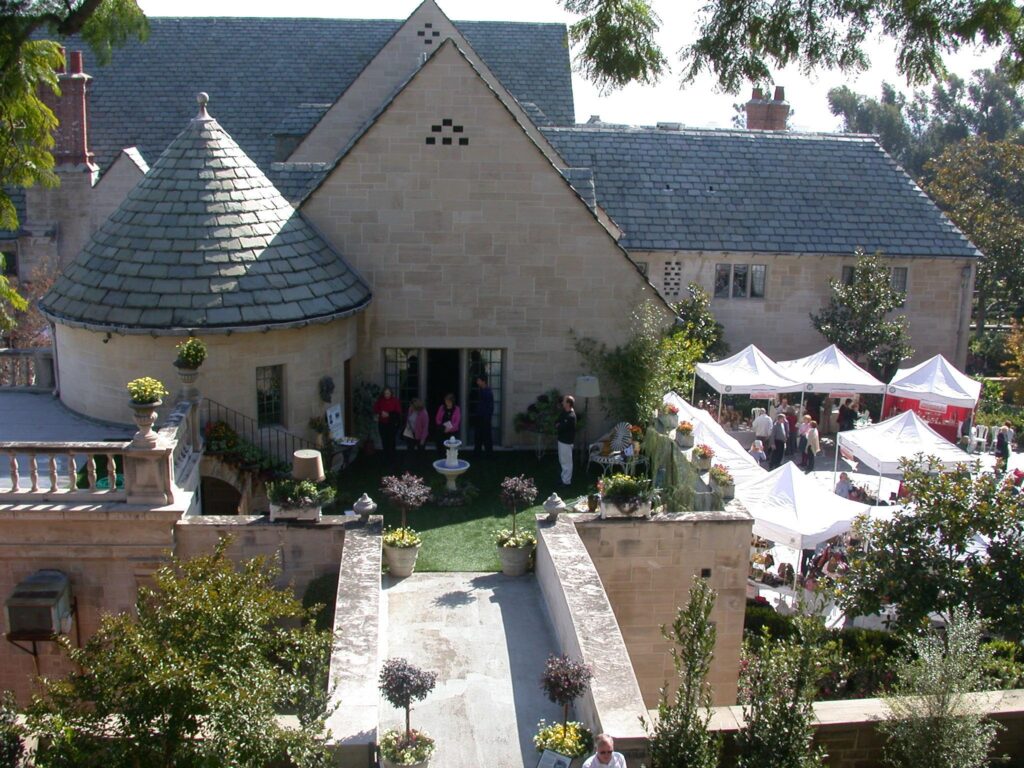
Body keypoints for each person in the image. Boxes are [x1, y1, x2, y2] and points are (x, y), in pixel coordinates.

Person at [372, 387, 401, 463]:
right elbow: (375, 409)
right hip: (382, 424)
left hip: (391, 424)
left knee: (391, 441)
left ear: (391, 393)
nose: (387, 395)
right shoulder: (380, 401)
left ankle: (392, 459)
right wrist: (381, 412)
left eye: (388, 393)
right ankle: (385, 458)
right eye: (385, 393)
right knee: (384, 441)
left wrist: (389, 414)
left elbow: (398, 413)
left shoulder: (395, 401)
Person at [556, 394, 577, 486]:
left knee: (567, 462)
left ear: (568, 403)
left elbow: (562, 427)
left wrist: (559, 425)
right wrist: (559, 425)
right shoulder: (564, 412)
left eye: (564, 401)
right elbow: (557, 422)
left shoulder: (571, 416)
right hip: (561, 440)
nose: (562, 402)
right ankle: (563, 478)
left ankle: (566, 481)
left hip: (566, 442)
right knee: (562, 460)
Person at [473, 374, 494, 457]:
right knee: (478, 436)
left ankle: (489, 454)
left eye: (478, 380)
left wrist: (486, 418)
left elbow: (490, 407)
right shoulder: (481, 390)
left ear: (483, 381)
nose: (477, 382)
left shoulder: (488, 392)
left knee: (486, 437)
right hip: (479, 417)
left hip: (484, 418)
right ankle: (477, 453)